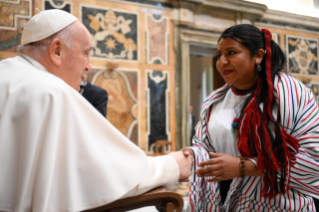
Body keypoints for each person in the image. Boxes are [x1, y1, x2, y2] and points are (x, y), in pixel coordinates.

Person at [0, 9, 193, 212]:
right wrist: (173, 165)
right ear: (57, 51)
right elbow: (107, 174)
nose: (89, 66)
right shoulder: (53, 92)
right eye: (86, 53)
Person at [183, 24, 319, 211]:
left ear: (258, 56)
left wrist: (243, 167)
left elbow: (312, 159)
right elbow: (203, 146)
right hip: (227, 201)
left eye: (231, 52)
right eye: (219, 54)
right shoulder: (215, 101)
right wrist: (192, 155)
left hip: (280, 203)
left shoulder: (290, 94)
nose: (221, 61)